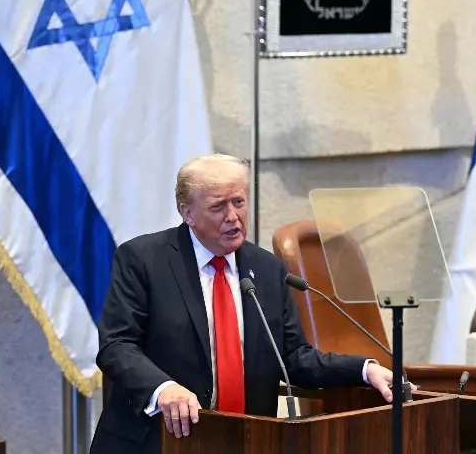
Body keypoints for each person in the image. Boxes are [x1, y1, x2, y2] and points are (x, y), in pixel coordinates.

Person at [90, 154, 401, 453]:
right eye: (217, 207)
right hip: (161, 440)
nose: (232, 216)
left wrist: (364, 368)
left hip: (246, 440)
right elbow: (117, 345)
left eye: (238, 202)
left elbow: (293, 358)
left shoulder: (266, 269)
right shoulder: (144, 260)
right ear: (188, 213)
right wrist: (162, 389)